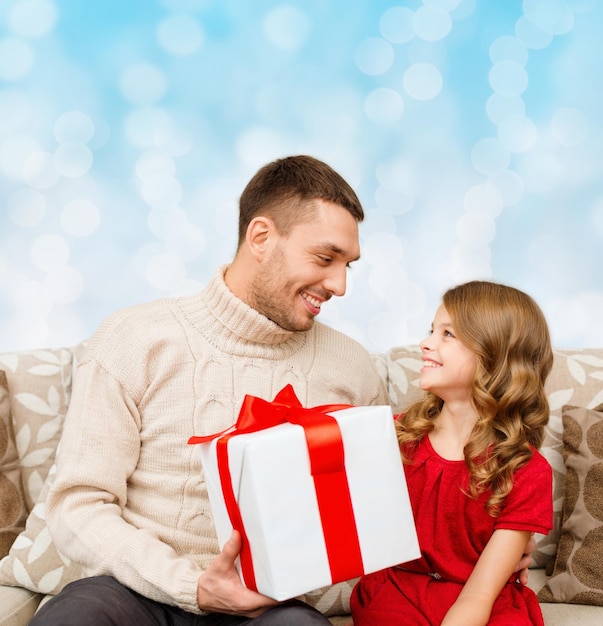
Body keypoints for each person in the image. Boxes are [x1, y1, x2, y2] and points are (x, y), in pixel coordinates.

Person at [31, 155, 391, 625]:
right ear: (260, 237)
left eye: (348, 265)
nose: (340, 285)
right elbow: (79, 505)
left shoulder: (352, 367)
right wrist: (191, 586)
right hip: (136, 592)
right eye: (325, 258)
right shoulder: (134, 338)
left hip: (269, 608)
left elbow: (371, 516)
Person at [350, 281, 554, 626]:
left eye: (448, 334)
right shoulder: (392, 438)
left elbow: (480, 594)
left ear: (496, 357)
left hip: (483, 599)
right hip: (398, 593)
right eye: (432, 330)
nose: (425, 343)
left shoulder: (527, 470)